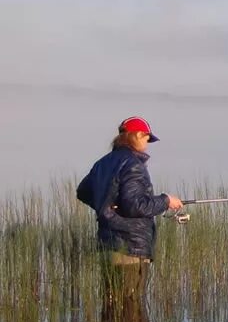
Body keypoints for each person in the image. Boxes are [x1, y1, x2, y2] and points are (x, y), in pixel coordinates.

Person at [77, 116, 183, 295]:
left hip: (108, 247)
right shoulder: (133, 164)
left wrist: (107, 207)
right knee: (131, 313)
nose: (148, 143)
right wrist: (166, 201)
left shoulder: (103, 163)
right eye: (147, 138)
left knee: (112, 311)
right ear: (137, 135)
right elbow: (135, 205)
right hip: (131, 249)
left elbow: (83, 192)